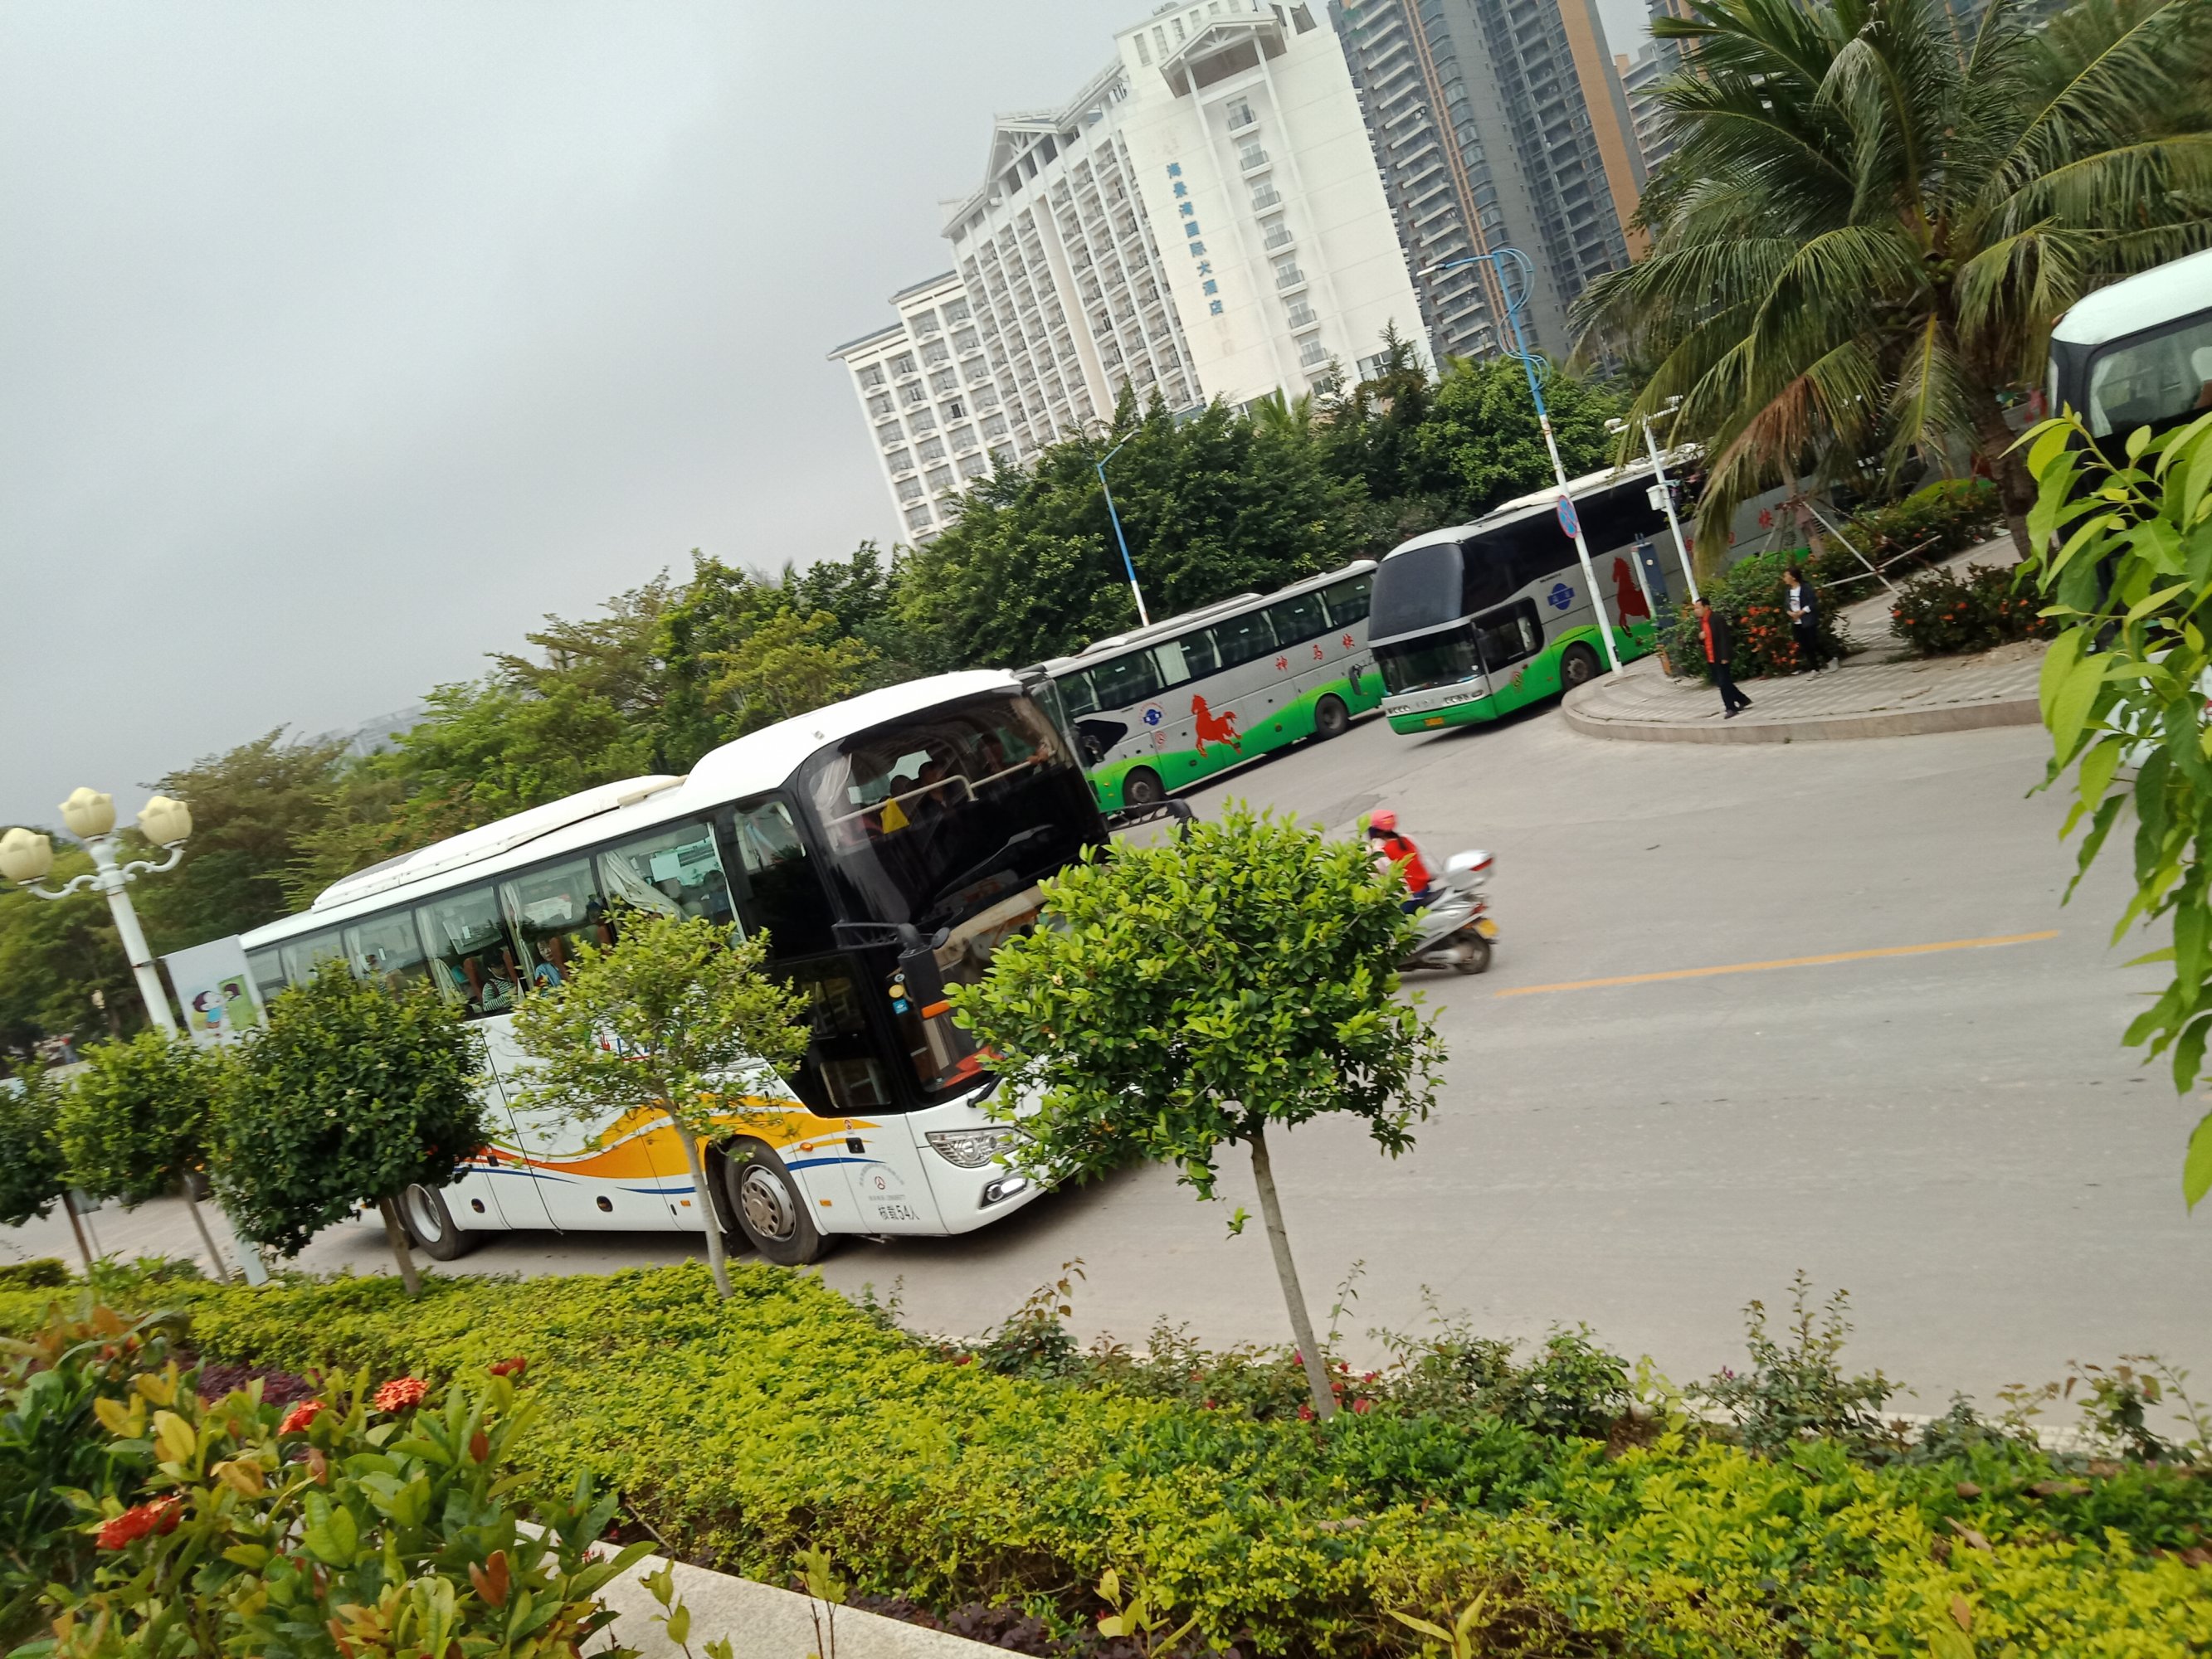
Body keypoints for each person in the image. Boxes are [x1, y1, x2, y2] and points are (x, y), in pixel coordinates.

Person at [1696, 596, 1752, 719]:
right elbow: (1702, 640)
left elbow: (1724, 638)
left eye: (1698, 608)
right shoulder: (1702, 622)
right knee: (1724, 682)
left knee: (1723, 683)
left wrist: (1725, 656)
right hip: (1711, 657)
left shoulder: (1717, 619)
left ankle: (1730, 708)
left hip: (1720, 656)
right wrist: (1700, 637)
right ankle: (1743, 700)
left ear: (1706, 607)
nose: (1696, 611)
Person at [1367, 810, 1435, 910]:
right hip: (1424, 887)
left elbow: (1375, 875)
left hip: (1408, 896)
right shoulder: (1407, 839)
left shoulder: (1379, 851)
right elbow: (1425, 858)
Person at [1783, 566, 1830, 673]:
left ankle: (1829, 659)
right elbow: (1786, 606)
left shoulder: (1805, 588)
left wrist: (1802, 612)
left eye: (1786, 576)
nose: (1784, 578)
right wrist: (1790, 613)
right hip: (1797, 622)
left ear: (1793, 577)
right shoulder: (1788, 591)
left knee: (1813, 643)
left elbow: (1812, 602)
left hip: (1808, 619)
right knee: (1804, 645)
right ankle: (1815, 668)